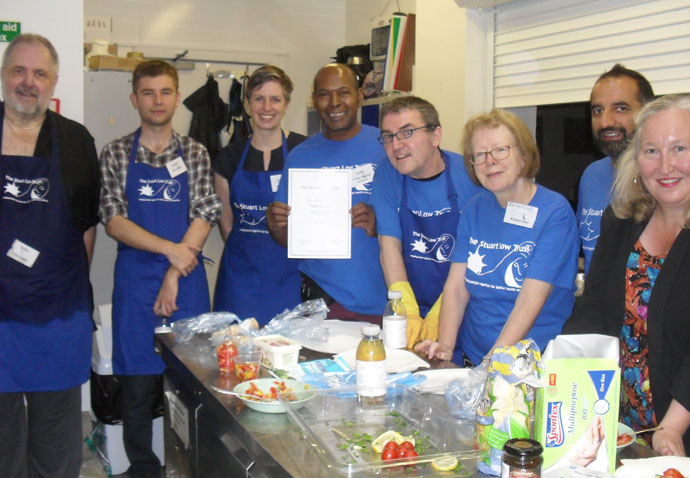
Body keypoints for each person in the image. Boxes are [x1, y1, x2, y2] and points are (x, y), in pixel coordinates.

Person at [100, 60, 221, 478]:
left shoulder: (196, 153)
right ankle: (143, 468)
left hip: (186, 280)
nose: (157, 100)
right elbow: (114, 220)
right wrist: (170, 250)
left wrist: (175, 268)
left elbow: (205, 212)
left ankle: (188, 468)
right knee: (136, 387)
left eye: (165, 92)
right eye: (148, 93)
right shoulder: (116, 153)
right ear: (134, 99)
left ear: (176, 97)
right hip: (136, 283)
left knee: (191, 385)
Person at [564, 94, 690, 456]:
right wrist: (564, 379)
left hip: (678, 429)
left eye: (680, 148)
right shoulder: (620, 220)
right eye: (651, 151)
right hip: (621, 422)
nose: (665, 166)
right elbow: (593, 309)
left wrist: (672, 427)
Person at [0, 34, 100, 477]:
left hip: (56, 319)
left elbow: (86, 228)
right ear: (4, 76)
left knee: (56, 446)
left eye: (39, 73)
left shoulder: (75, 141)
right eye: (19, 71)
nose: (29, 82)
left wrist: (66, 291)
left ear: (54, 81)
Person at [416, 108, 578, 366]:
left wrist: (493, 361)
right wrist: (445, 347)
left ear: (523, 154)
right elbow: (456, 289)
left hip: (530, 363)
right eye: (479, 155)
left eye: (500, 150)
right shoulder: (475, 208)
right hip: (475, 356)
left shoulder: (554, 212)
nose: (489, 161)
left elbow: (528, 302)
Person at [266, 63, 387, 323]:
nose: (334, 103)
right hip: (323, 300)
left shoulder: (386, 147)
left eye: (344, 92)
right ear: (314, 100)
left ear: (360, 95)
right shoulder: (300, 157)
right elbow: (289, 239)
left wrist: (382, 224)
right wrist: (276, 226)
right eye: (324, 94)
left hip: (383, 298)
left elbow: (415, 219)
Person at [371, 96, 482, 348]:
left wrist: (444, 311)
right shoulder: (387, 173)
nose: (396, 145)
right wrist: (406, 308)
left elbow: (477, 253)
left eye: (407, 133)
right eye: (388, 136)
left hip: (465, 306)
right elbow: (388, 246)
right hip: (415, 301)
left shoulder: (471, 175)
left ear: (435, 136)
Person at [213, 65, 306, 324]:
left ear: (286, 104)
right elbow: (227, 224)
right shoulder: (229, 158)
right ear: (247, 103)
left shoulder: (303, 151)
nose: (267, 107)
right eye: (258, 99)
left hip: (291, 278)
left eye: (275, 99)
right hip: (240, 282)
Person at [578, 64, 654, 273]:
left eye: (621, 108)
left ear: (647, 112)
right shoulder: (591, 176)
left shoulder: (665, 179)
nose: (605, 122)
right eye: (598, 110)